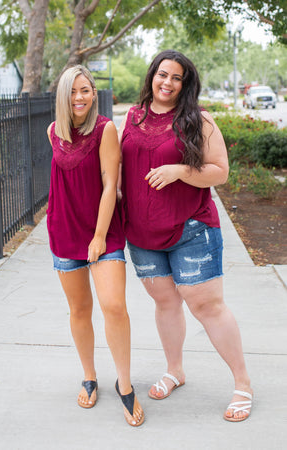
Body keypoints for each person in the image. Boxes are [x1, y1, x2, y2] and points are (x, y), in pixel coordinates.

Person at [118, 50, 252, 422]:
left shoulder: (198, 119)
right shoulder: (133, 116)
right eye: (162, 75)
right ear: (151, 76)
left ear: (185, 83)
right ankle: (175, 369)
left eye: (176, 78)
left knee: (206, 306)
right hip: (142, 233)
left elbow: (220, 171)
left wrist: (180, 170)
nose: (167, 82)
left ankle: (242, 383)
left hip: (191, 227)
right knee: (165, 303)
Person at [46, 65, 144, 427]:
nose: (80, 98)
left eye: (86, 90)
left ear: (94, 93)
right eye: (73, 91)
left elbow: (109, 185)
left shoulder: (105, 130)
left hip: (103, 231)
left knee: (114, 306)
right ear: (63, 95)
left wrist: (100, 236)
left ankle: (125, 383)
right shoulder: (53, 130)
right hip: (64, 231)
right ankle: (89, 376)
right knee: (79, 310)